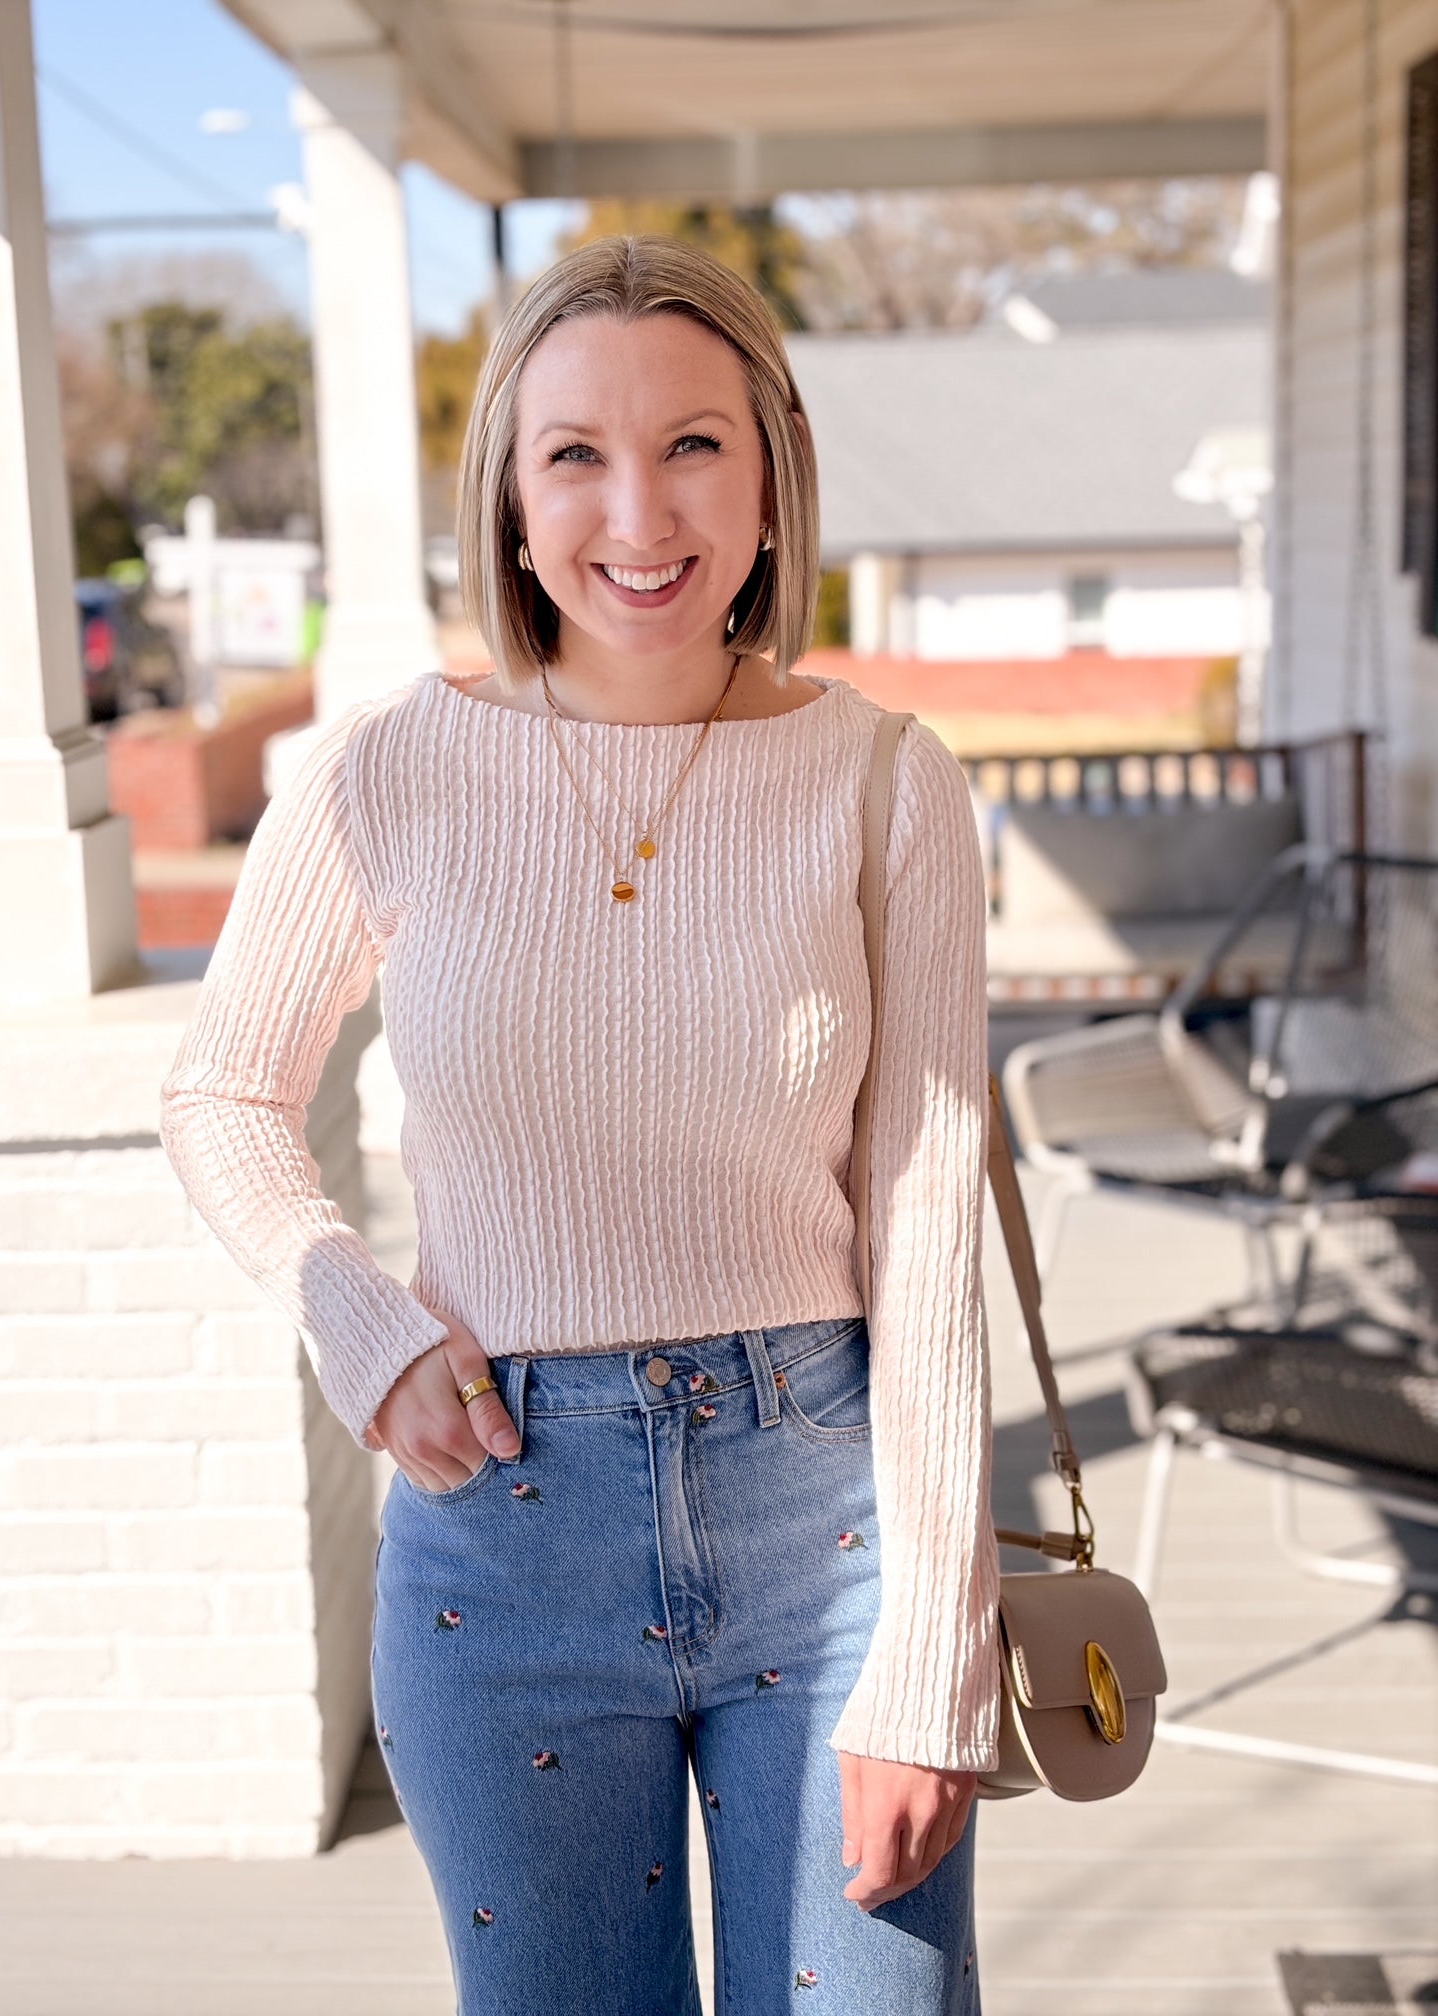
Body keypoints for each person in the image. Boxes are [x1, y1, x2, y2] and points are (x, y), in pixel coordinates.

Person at [159, 234, 1001, 2015]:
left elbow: (927, 1222)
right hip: (503, 1535)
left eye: (695, 442)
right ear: (512, 499)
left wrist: (935, 1646)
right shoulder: (388, 772)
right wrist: (359, 1322)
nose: (642, 509)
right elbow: (223, 1090)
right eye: (576, 454)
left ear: (772, 473)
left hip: (827, 1531)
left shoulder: (882, 781)